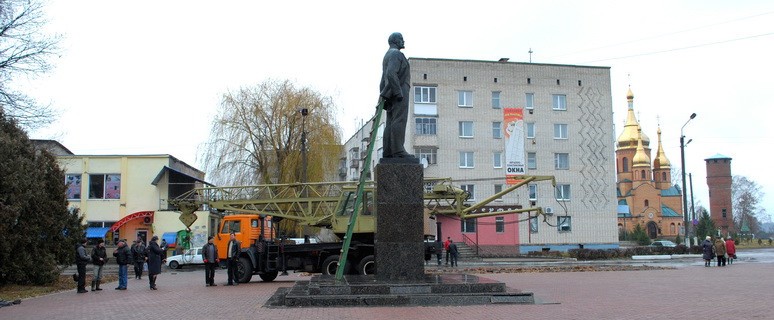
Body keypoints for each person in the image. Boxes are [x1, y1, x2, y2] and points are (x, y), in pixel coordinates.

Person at [379, 32, 414, 159]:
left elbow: (384, 78)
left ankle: (388, 151)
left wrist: (383, 94)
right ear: (395, 41)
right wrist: (398, 92)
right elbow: (390, 73)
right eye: (401, 39)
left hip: (390, 92)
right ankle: (398, 150)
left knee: (391, 122)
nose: (403, 41)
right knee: (399, 120)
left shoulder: (387, 55)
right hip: (399, 90)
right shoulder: (396, 54)